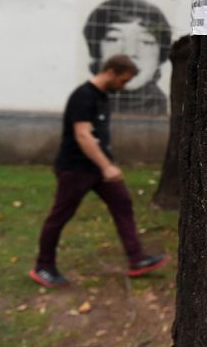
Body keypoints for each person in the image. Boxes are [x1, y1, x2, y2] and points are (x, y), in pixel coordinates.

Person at [29, 55, 169, 287]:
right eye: (123, 81)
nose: (124, 87)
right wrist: (107, 166)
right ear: (111, 71)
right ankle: (43, 267)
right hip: (76, 169)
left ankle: (137, 259)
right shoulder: (83, 96)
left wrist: (106, 165)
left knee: (122, 203)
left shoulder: (102, 97)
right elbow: (83, 135)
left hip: (99, 169)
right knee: (59, 216)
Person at [84, 0, 171, 115]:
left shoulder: (164, 105)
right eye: (114, 39)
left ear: (161, 56)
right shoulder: (86, 98)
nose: (130, 52)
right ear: (96, 50)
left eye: (146, 41)